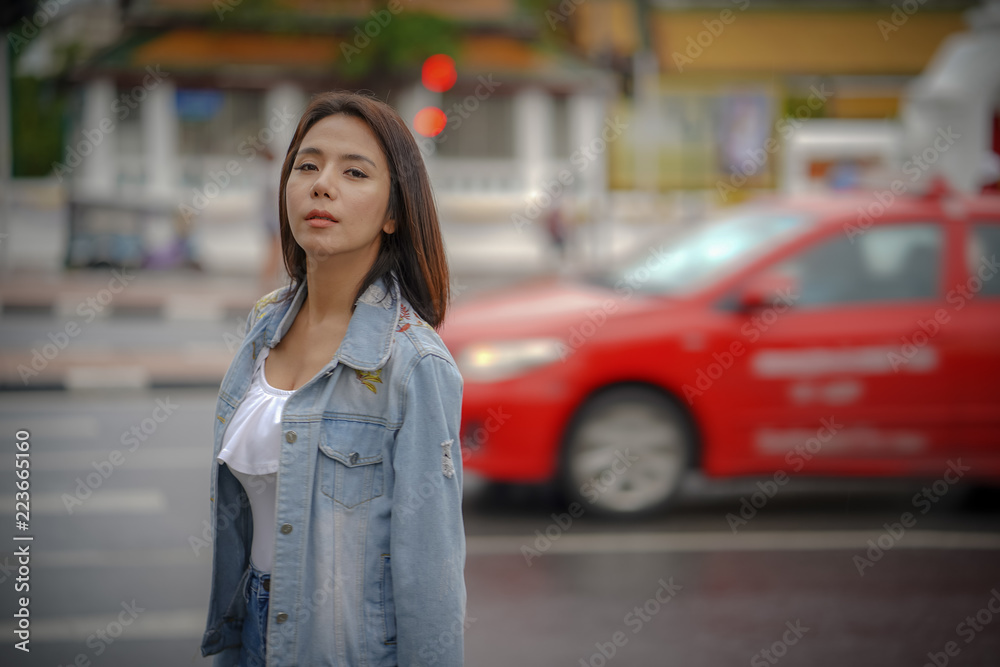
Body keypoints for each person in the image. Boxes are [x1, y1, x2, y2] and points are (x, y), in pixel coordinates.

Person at [200, 91, 466, 666]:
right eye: (307, 165)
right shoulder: (262, 325)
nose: (323, 184)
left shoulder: (413, 364)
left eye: (355, 172)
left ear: (394, 211)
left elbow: (432, 579)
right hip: (249, 632)